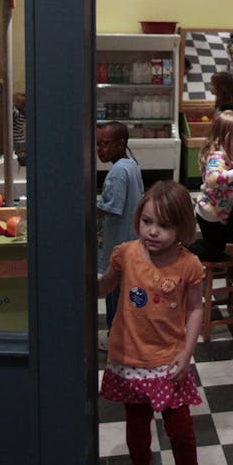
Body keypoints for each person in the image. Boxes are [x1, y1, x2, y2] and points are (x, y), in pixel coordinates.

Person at [98, 181, 212, 465]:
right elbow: (104, 287)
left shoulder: (188, 264)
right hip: (129, 358)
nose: (152, 231)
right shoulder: (125, 254)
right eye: (147, 221)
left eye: (163, 225)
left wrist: (187, 351)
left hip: (169, 362)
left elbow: (195, 309)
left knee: (181, 431)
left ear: (182, 228)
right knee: (136, 422)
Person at [96, 122, 144, 341]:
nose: (100, 149)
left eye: (105, 144)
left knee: (114, 292)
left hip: (119, 244)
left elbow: (112, 208)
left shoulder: (117, 172)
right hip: (131, 240)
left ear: (121, 144)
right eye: (98, 144)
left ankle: (116, 337)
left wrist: (88, 207)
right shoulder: (130, 164)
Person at [189, 110, 233, 261]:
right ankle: (185, 250)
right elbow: (212, 179)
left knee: (218, 245)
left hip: (219, 213)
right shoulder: (217, 157)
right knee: (213, 252)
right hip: (209, 214)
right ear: (229, 139)